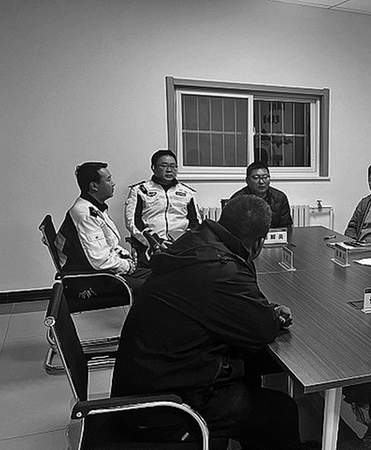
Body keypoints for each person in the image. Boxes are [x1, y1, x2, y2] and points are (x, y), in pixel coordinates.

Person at [111, 195, 308, 450]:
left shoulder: (195, 242)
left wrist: (262, 310)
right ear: (259, 243)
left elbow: (227, 305)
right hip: (165, 408)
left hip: (149, 378)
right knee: (281, 411)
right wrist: (271, 314)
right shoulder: (222, 268)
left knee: (253, 362)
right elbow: (261, 329)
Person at [57, 162, 150, 295]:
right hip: (92, 279)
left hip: (104, 272)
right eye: (108, 179)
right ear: (94, 186)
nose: (113, 183)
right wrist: (127, 266)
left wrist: (125, 257)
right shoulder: (84, 214)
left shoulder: (94, 207)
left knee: (161, 277)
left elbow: (110, 244)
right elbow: (99, 261)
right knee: (156, 287)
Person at [124, 149, 200, 266]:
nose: (169, 170)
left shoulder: (187, 192)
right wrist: (156, 242)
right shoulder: (140, 190)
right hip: (151, 245)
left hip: (182, 246)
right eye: (164, 166)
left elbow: (195, 222)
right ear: (153, 168)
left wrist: (184, 242)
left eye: (173, 166)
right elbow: (133, 222)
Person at [231, 161, 293, 228]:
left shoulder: (280, 198)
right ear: (247, 180)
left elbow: (287, 226)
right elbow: (231, 227)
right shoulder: (237, 200)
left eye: (265, 177)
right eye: (256, 178)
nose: (261, 182)